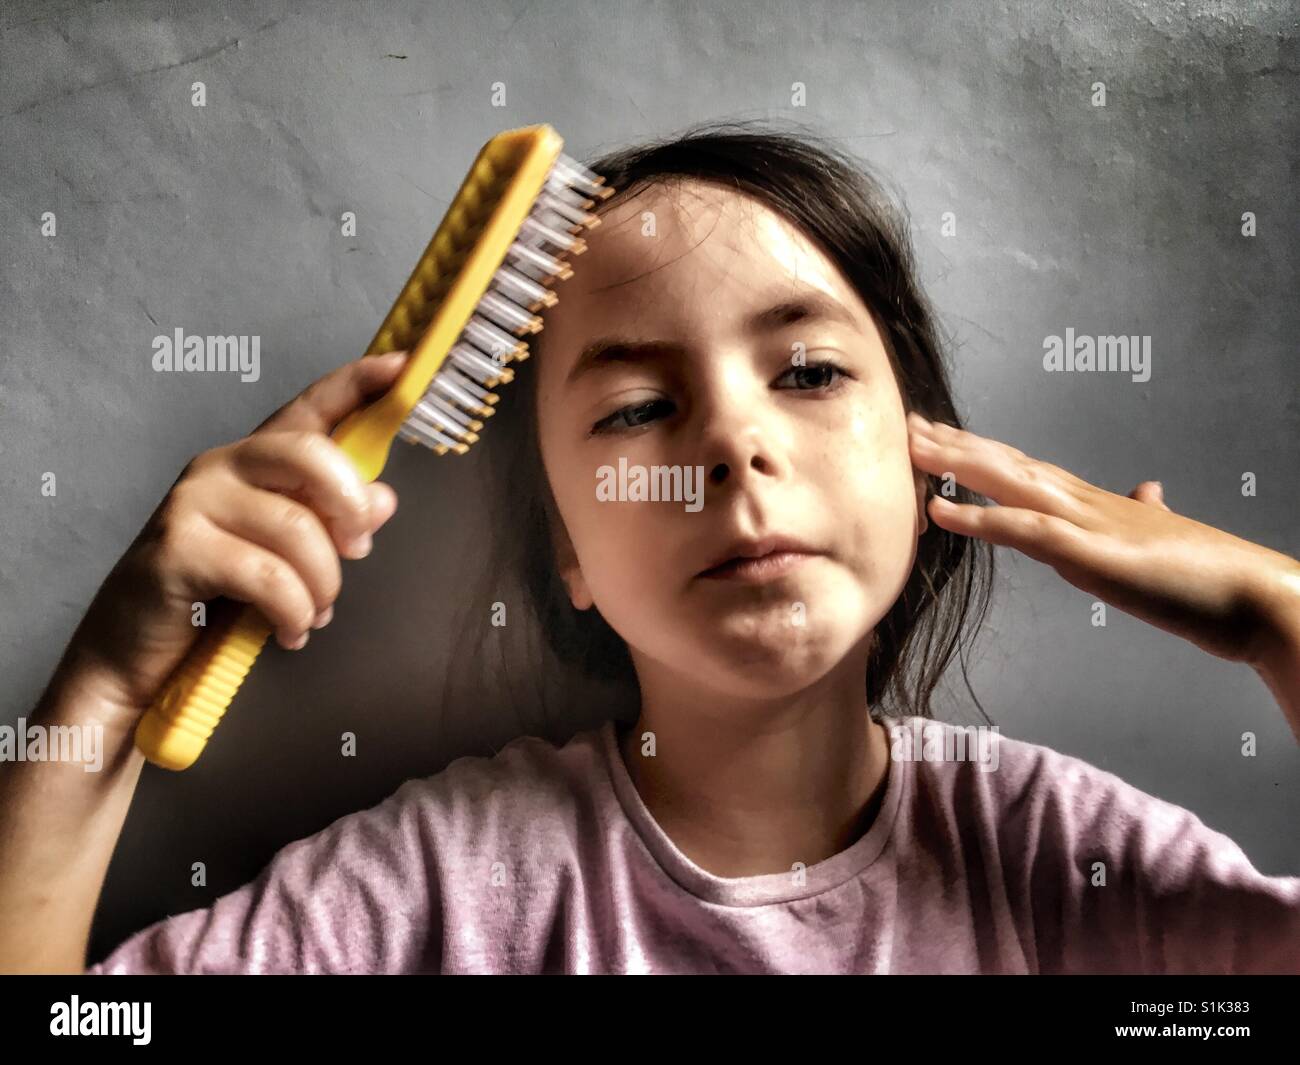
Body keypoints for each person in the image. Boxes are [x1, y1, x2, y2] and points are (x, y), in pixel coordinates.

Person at [3, 122, 1297, 975]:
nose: (732, 444)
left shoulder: (1054, 859)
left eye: (806, 370)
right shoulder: (438, 890)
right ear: (568, 552)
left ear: (924, 456)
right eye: (634, 408)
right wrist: (103, 696)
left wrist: (1274, 609)